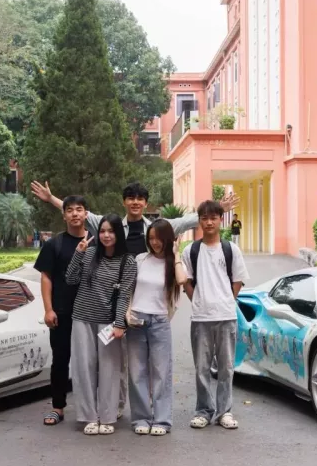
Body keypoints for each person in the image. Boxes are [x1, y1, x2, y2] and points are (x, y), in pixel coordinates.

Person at [30, 179, 239, 416]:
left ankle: (149, 407)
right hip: (116, 301)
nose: (135, 202)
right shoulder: (113, 226)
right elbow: (80, 213)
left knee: (148, 360)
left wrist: (218, 208)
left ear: (146, 203)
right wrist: (51, 199)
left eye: (140, 199)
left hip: (148, 300)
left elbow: (188, 220)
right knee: (118, 358)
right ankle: (117, 406)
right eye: (131, 198)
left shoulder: (157, 227)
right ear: (124, 202)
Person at [65, 214, 136, 435]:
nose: (106, 235)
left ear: (119, 234)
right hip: (82, 318)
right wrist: (78, 253)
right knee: (83, 369)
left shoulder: (128, 261)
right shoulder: (90, 254)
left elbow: (124, 295)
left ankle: (107, 416)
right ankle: (88, 417)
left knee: (110, 370)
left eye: (111, 231)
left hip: (108, 323)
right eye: (103, 231)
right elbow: (70, 279)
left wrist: (119, 324)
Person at [182, 199, 249, 430]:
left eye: (213, 218)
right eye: (204, 218)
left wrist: (226, 300)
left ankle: (224, 412)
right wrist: (199, 300)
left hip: (226, 317)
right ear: (199, 221)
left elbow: (238, 281)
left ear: (221, 220)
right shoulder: (191, 250)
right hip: (201, 318)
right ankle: (203, 411)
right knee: (201, 368)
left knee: (226, 368)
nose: (209, 222)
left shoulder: (231, 250)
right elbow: (187, 282)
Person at [126, 219, 186, 436]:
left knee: (162, 372)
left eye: (159, 238)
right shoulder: (140, 259)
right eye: (151, 238)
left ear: (167, 239)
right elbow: (129, 289)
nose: (154, 242)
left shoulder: (173, 264)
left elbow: (181, 281)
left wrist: (176, 255)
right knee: (137, 372)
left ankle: (161, 420)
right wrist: (127, 312)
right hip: (136, 320)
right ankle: (141, 418)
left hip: (160, 322)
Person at [34, 195, 90, 426]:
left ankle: (92, 408)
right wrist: (49, 309)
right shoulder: (54, 244)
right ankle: (58, 407)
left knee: (91, 361)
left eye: (79, 209)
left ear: (86, 214)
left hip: (91, 313)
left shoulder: (97, 241)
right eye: (70, 210)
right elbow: (46, 277)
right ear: (64, 215)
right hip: (62, 312)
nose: (75, 213)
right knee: (60, 360)